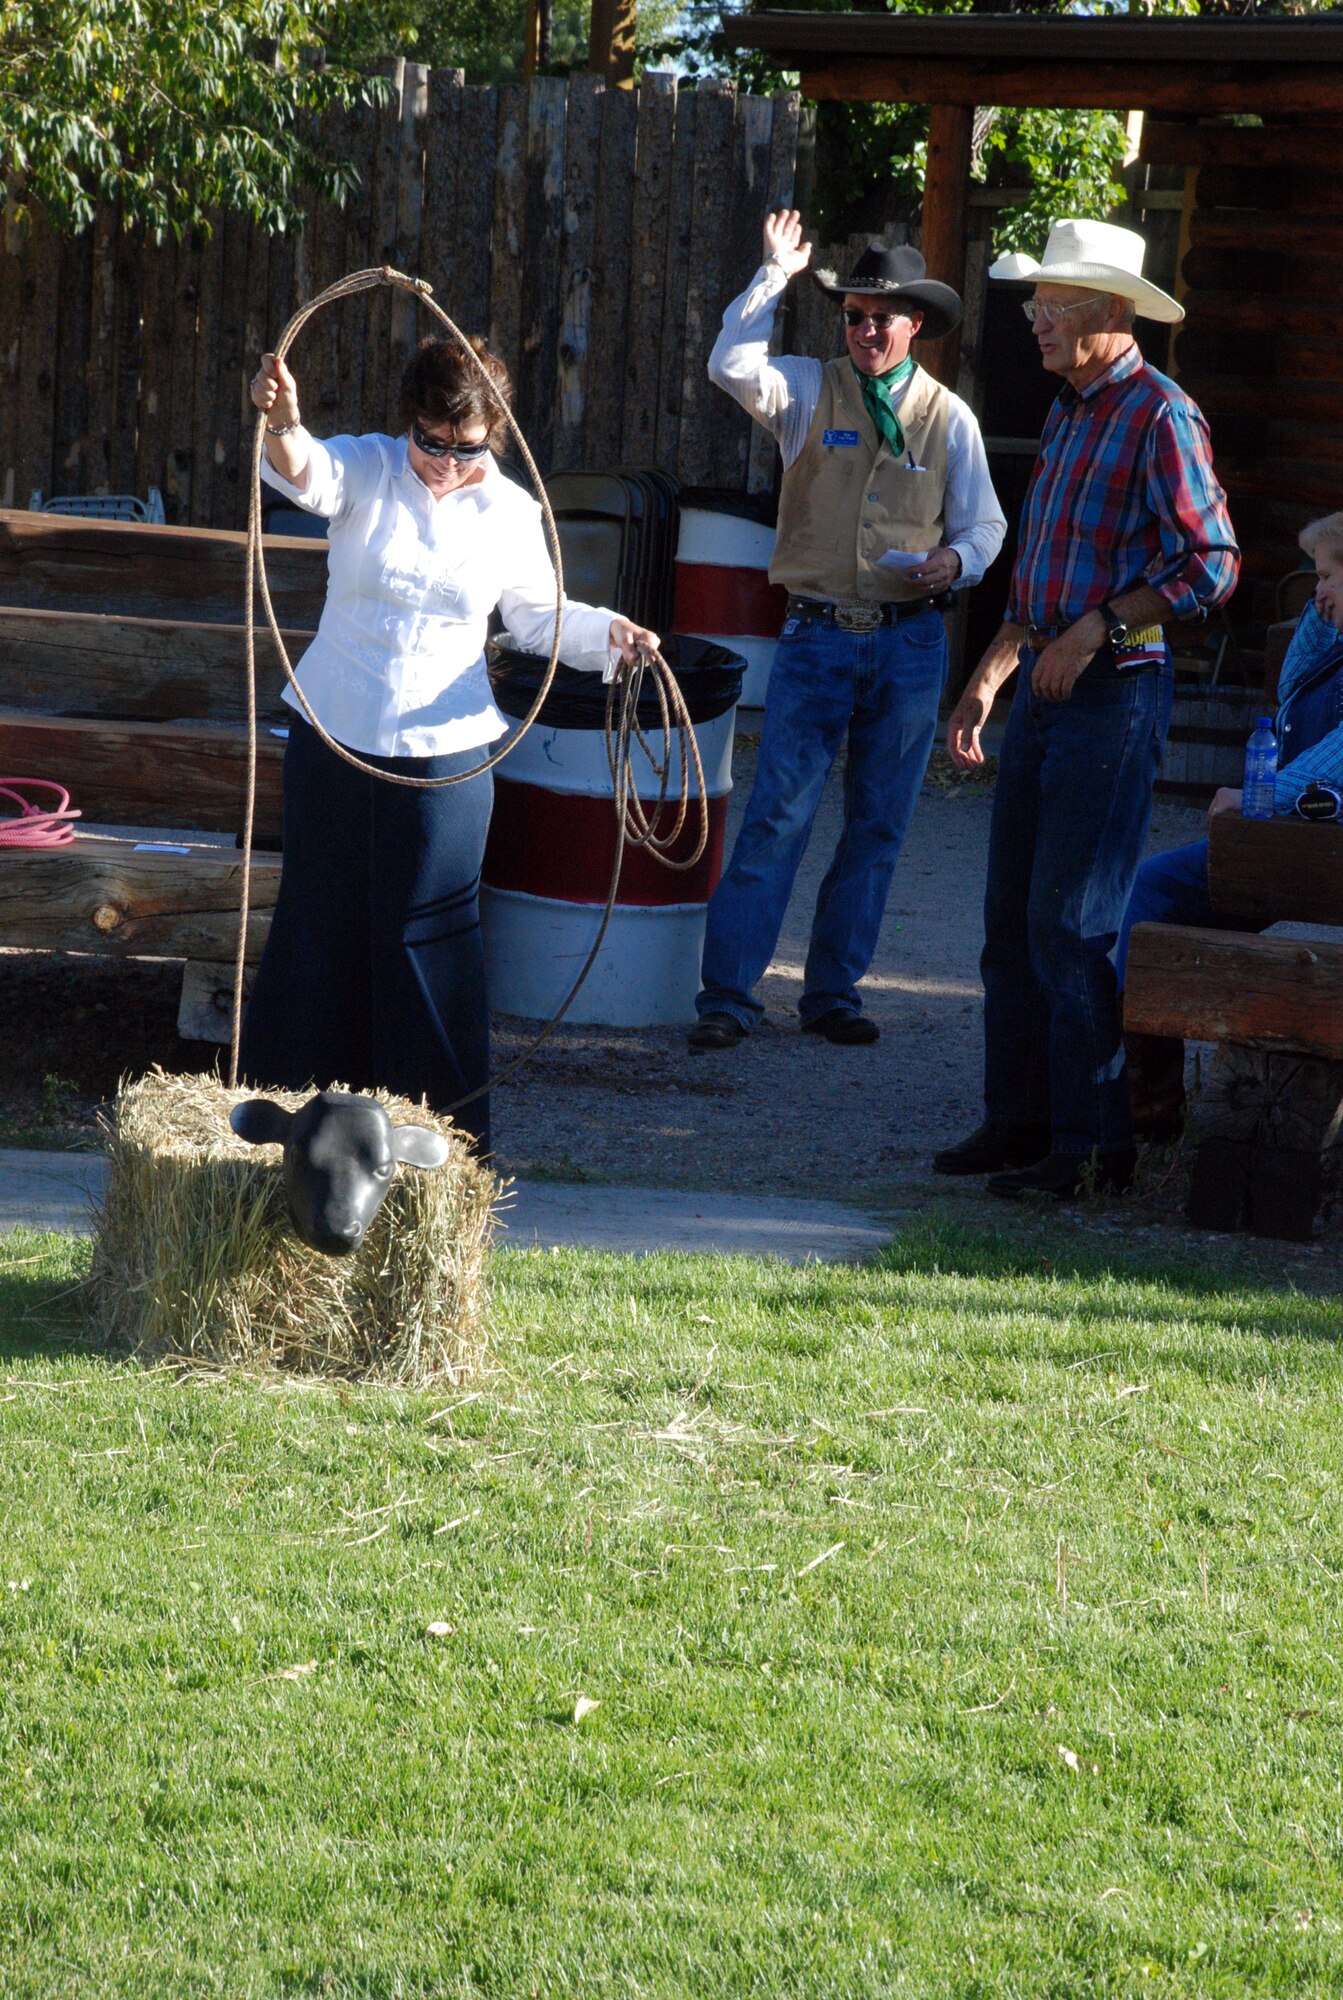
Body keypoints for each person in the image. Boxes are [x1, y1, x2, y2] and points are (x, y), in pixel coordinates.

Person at [240, 337, 658, 1153]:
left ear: (493, 437)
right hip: (332, 730)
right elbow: (305, 475)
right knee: (316, 928)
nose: (442, 461)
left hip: (449, 750)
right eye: (430, 440)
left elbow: (539, 620)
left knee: (427, 943)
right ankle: (285, 1142)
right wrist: (284, 421)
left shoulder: (510, 510)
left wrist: (614, 632)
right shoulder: (366, 465)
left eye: (465, 449)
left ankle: (439, 1157)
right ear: (410, 423)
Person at [934, 218, 1240, 1200]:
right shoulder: (1069, 409)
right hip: (1047, 686)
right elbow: (1043, 571)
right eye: (1035, 300)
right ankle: (1019, 1122)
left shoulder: (1159, 415)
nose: (1032, 317)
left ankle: (1090, 1144)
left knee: (1071, 921)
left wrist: (1093, 629)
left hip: (1112, 691)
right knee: (1007, 920)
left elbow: (1211, 561)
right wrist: (994, 663)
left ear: (1110, 311)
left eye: (1051, 301)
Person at [687, 209, 1006, 1051]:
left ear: (916, 325)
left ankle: (832, 993)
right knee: (776, 817)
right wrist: (772, 278)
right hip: (816, 635)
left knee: (877, 824)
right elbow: (728, 365)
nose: (865, 329)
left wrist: (954, 565)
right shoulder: (801, 388)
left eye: (881, 316)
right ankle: (726, 996)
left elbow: (985, 530)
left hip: (908, 644)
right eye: (854, 315)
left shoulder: (951, 418)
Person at [1117, 511, 1343, 1138]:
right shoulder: (1336, 641)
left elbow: (1339, 759)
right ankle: (1145, 1096)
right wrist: (1323, 627)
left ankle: (1138, 1101)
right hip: (1308, 851)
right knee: (1157, 890)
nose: (1316, 590)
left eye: (1327, 577)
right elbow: (1292, 697)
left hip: (1315, 848)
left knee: (1158, 889)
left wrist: (1257, 799)